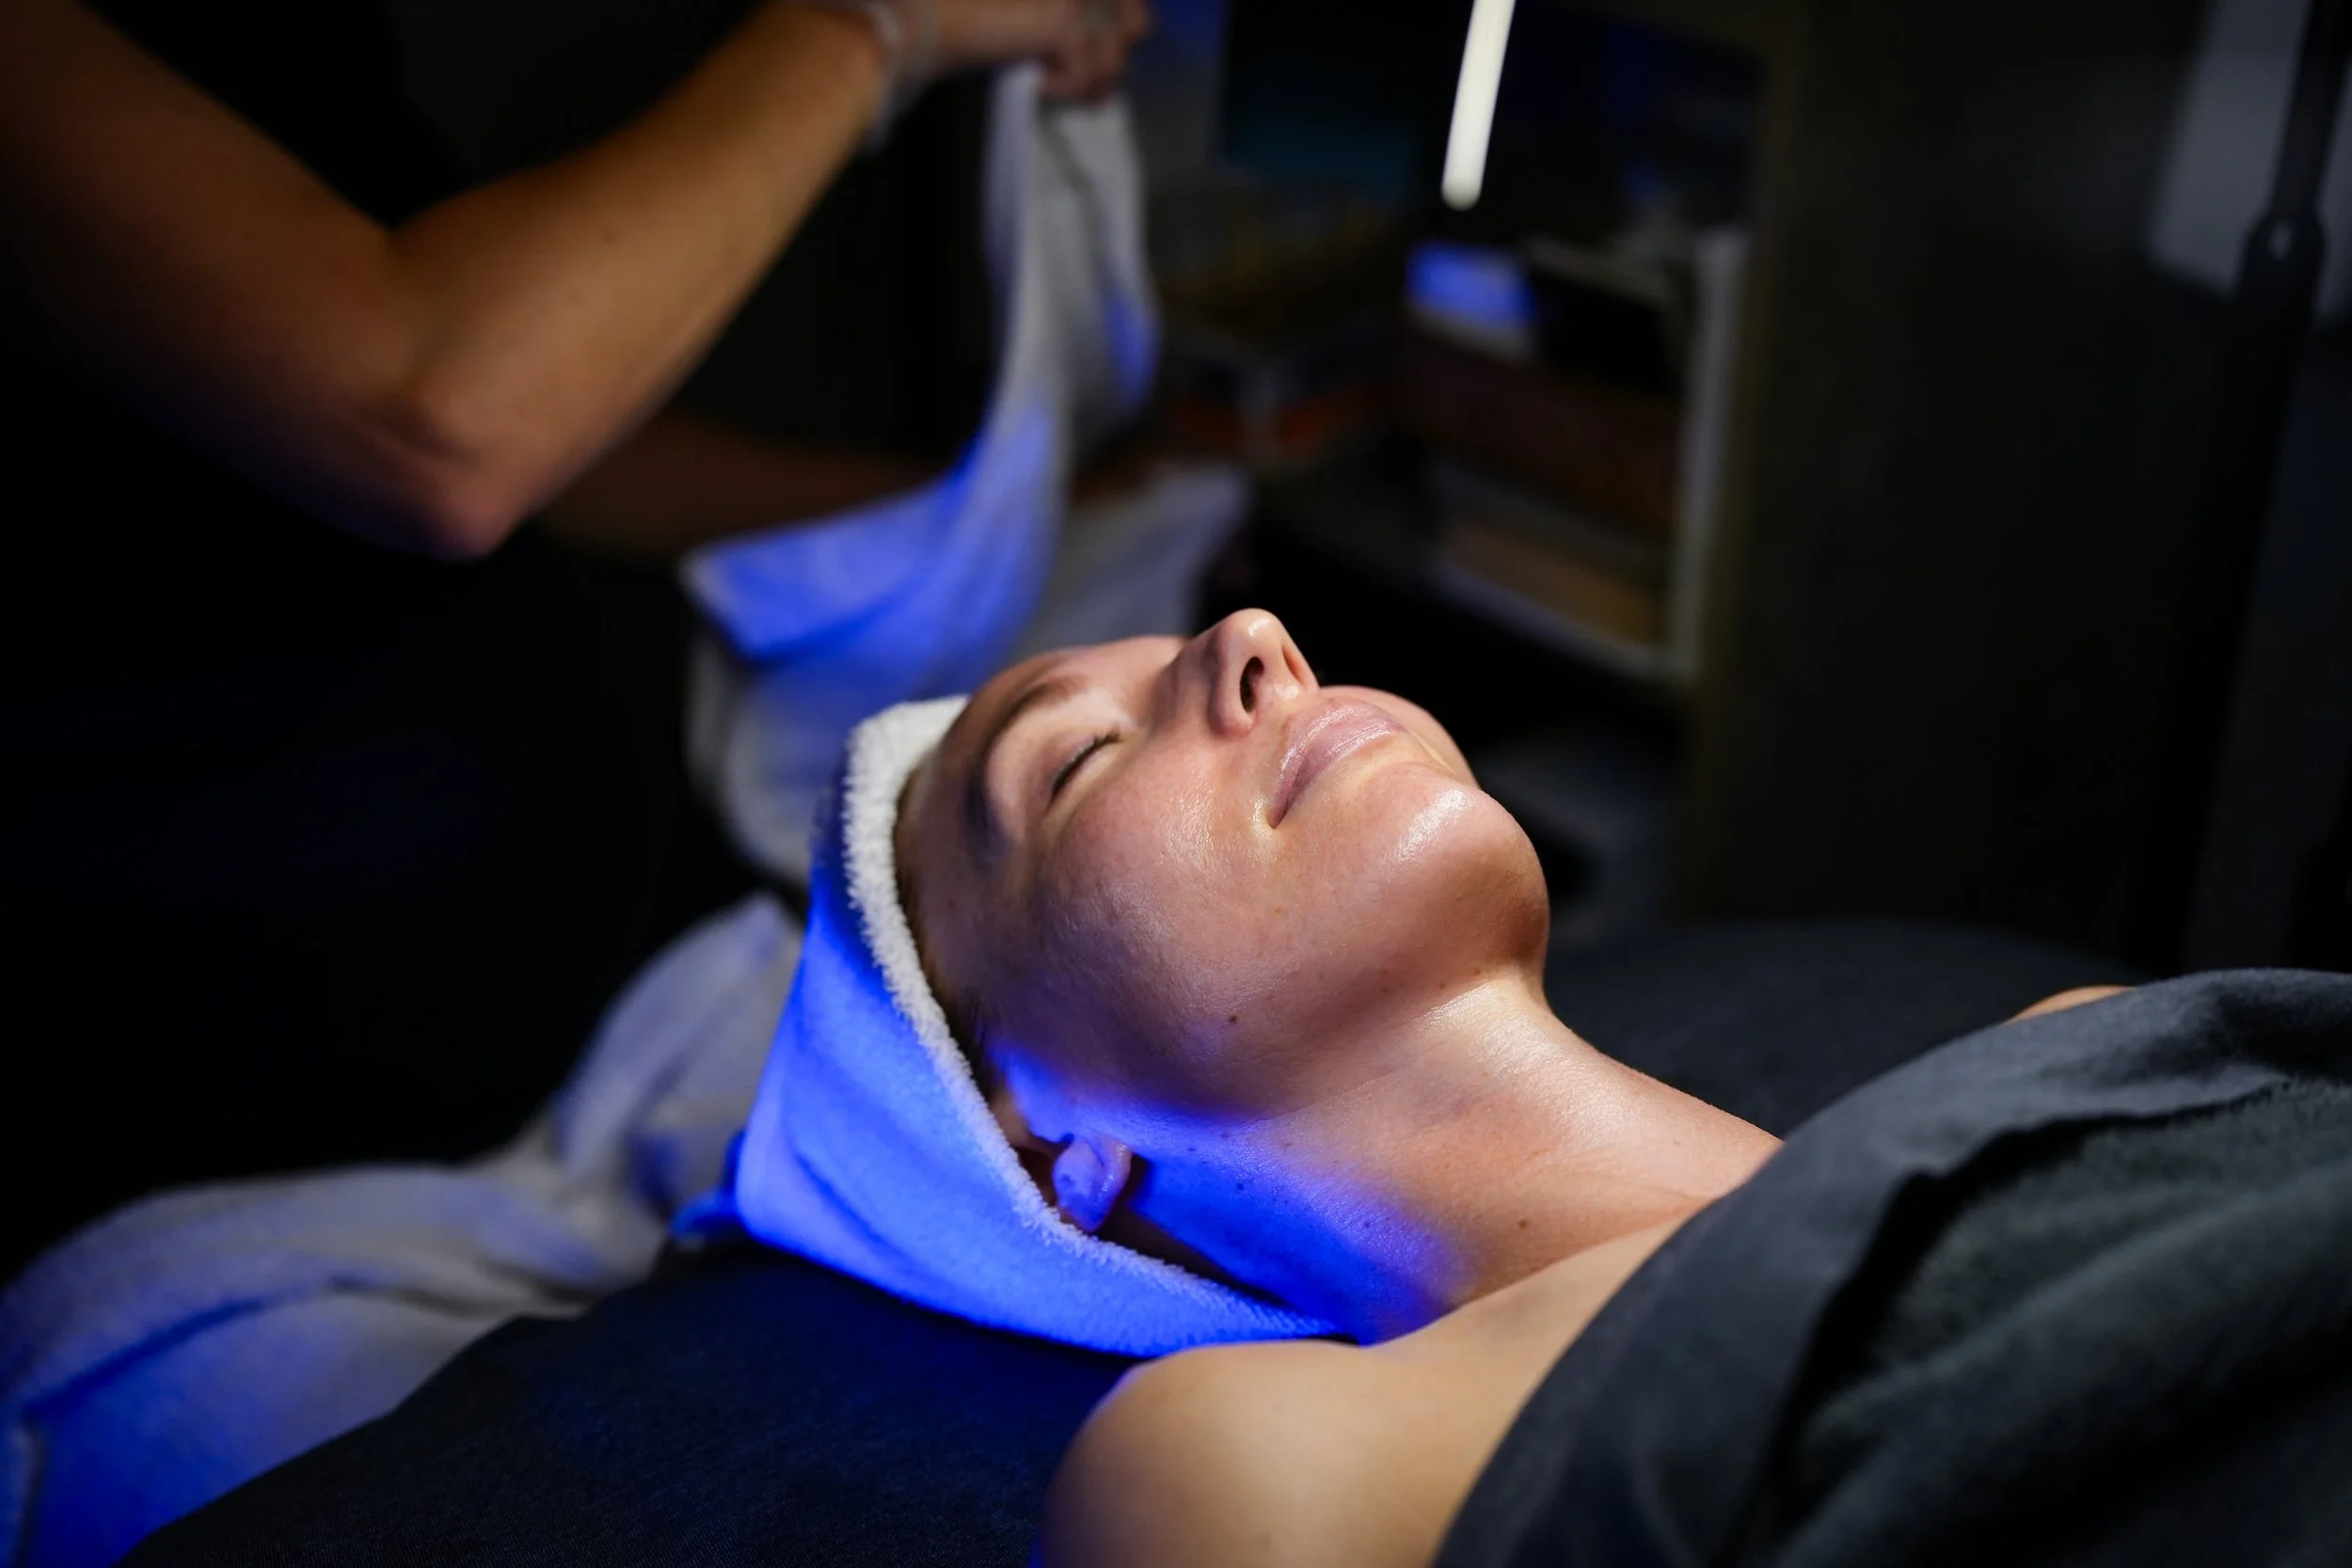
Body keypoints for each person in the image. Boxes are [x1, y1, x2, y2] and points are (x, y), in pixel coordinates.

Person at [722, 606, 2352, 1568]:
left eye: (1232, 646)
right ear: (1037, 1137)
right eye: (1074, 763)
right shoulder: (1246, 1475)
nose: (1251, 641)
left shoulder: (2080, 1040)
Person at [0, 0, 1150, 1271]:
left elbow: (547, 433)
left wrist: (965, 513)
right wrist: (874, 27)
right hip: (245, 1125)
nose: (1250, 652)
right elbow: (438, 422)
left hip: (627, 964)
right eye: (1069, 766)